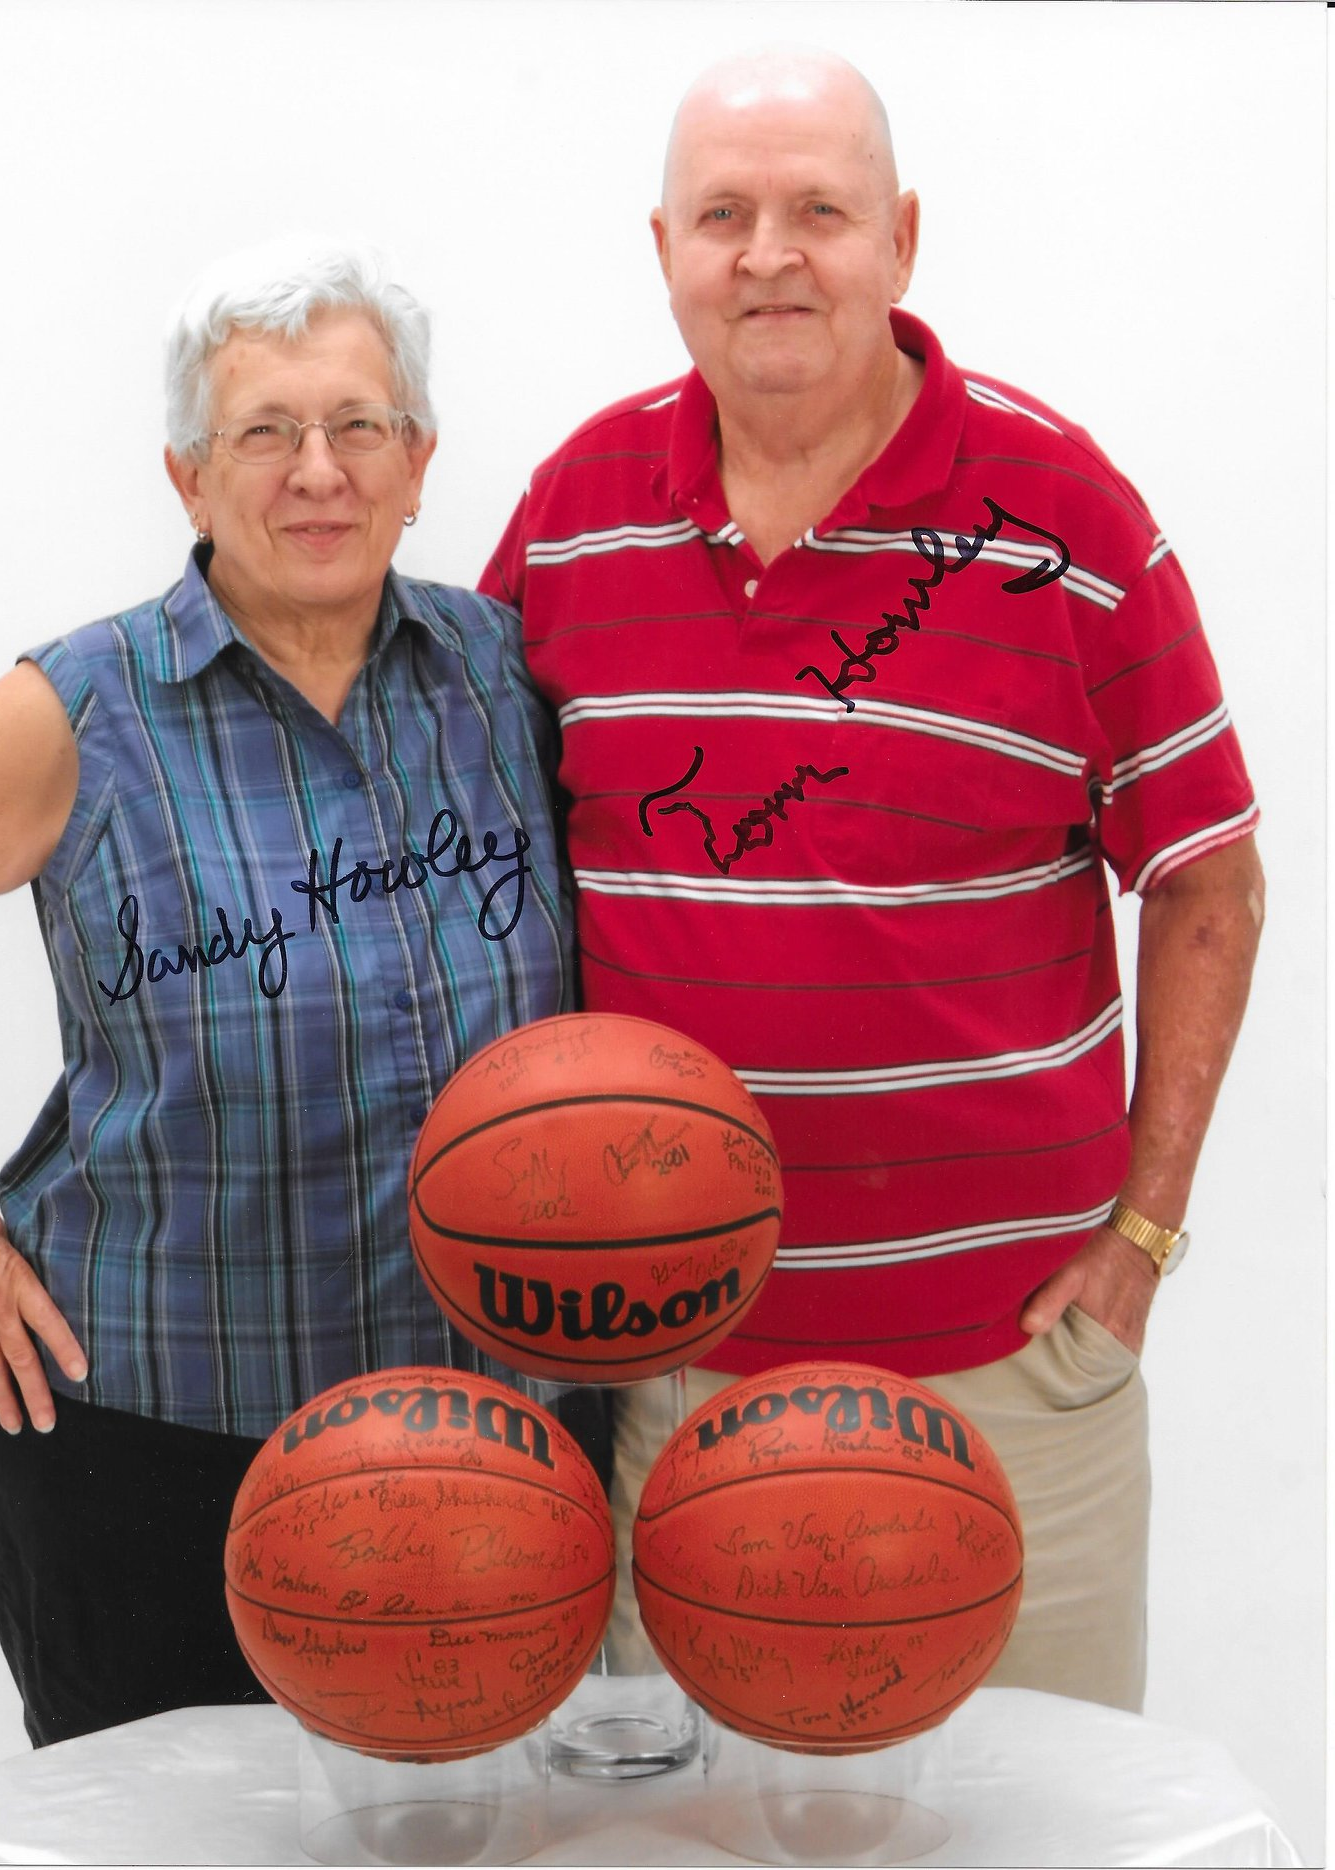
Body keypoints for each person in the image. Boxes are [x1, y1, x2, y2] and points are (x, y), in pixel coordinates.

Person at [480, 50, 1264, 1712]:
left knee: (1036, 1830)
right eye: (725, 216)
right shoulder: (570, 521)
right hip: (678, 1375)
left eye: (820, 211)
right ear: (664, 249)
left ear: (902, 238)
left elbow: (1210, 879)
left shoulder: (1067, 516)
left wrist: (1143, 1237)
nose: (771, 254)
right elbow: (479, 848)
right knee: (689, 1840)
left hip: (1004, 1377)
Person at [0, 239, 581, 1746]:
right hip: (155, 1449)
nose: (318, 470)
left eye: (358, 425)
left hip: (490, 1442)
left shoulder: (509, 678)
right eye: (264, 431)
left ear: (419, 458)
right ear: (187, 475)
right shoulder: (85, 710)